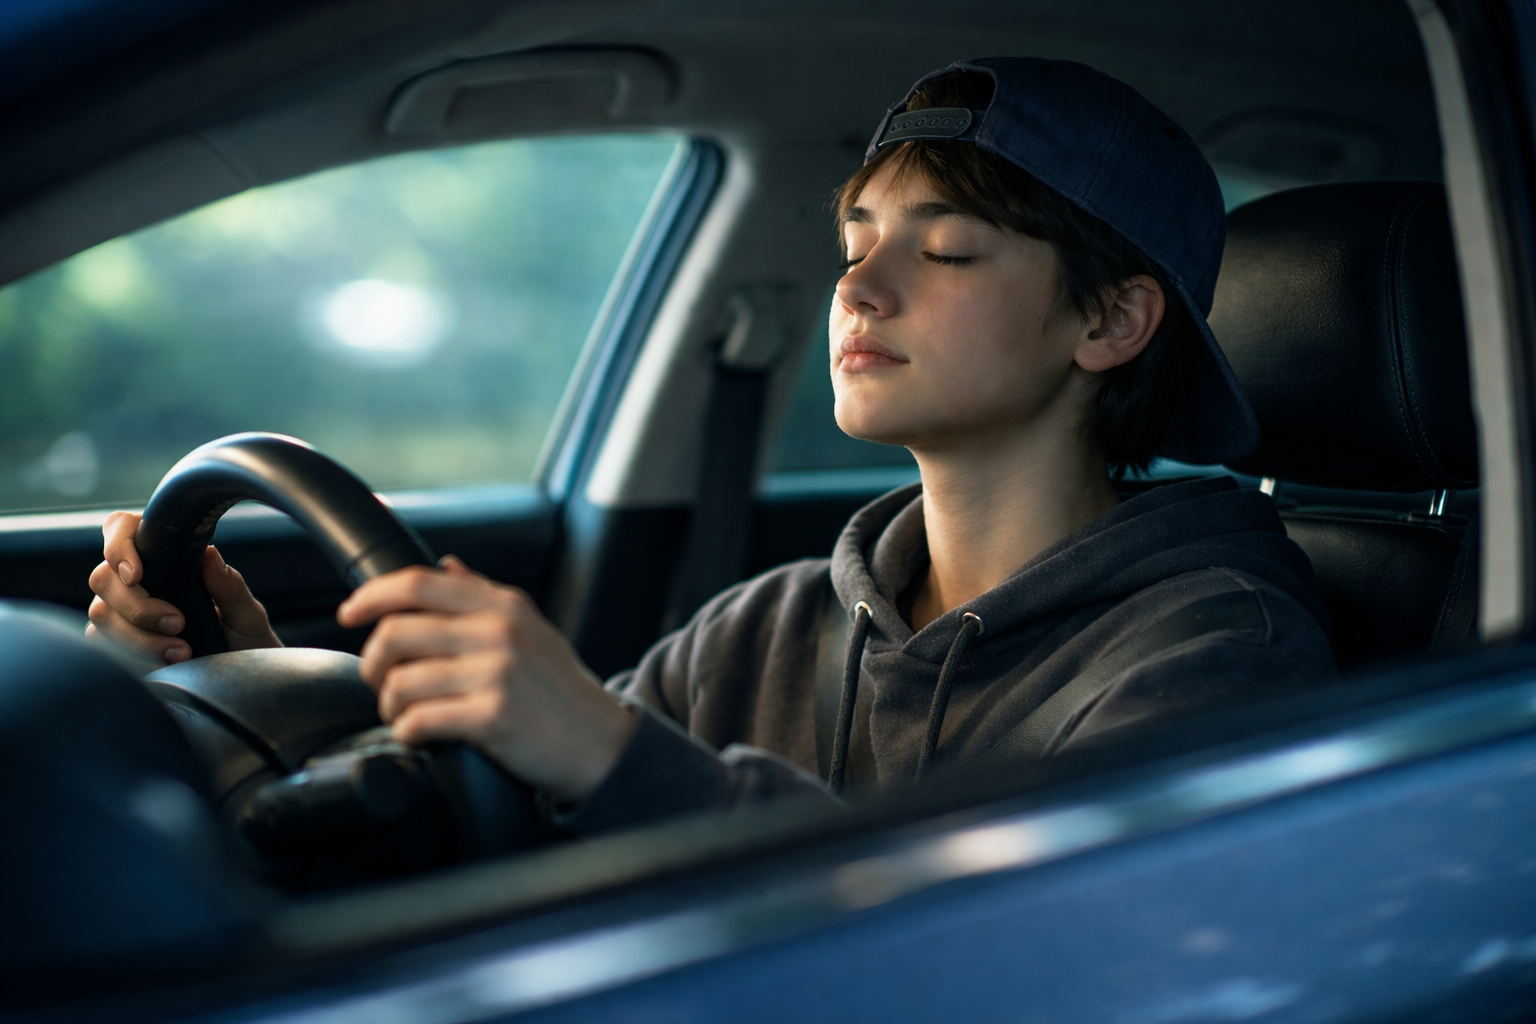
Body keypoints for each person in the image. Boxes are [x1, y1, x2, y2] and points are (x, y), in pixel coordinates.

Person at [86, 58, 1336, 832]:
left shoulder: (1217, 649)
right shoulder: (772, 625)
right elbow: (526, 811)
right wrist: (258, 695)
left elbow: (1049, 967)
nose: (862, 288)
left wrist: (617, 752)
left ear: (1111, 319)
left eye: (946, 250)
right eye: (855, 245)